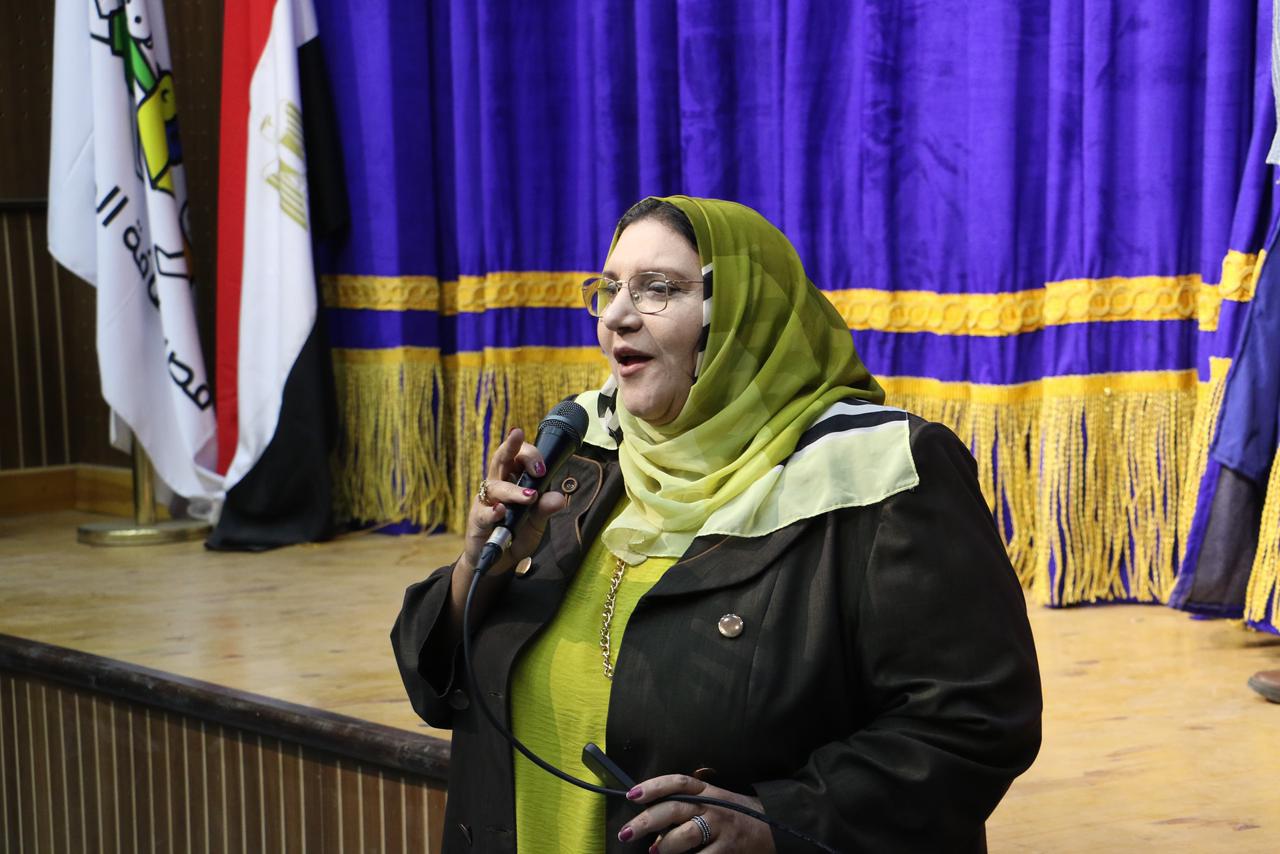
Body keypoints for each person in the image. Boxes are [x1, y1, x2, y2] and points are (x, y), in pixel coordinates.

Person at [392, 196, 1042, 853]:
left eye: (659, 289)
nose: (617, 316)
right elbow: (436, 686)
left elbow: (974, 721)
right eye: (610, 288)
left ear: (741, 313)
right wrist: (481, 567)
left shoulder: (878, 471)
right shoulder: (584, 447)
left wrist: (779, 822)